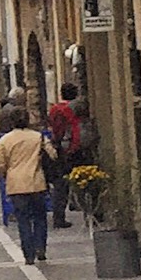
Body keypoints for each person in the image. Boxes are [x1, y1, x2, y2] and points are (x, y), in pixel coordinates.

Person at [0, 101, 55, 265]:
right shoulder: (38, 137)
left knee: (23, 220)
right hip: (37, 182)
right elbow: (52, 154)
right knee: (40, 217)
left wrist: (6, 172)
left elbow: (0, 162)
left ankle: (28, 254)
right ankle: (41, 247)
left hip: (16, 185)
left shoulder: (5, 140)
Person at [49, 85, 86, 228]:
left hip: (60, 149)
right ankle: (88, 212)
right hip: (76, 149)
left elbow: (54, 129)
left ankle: (59, 217)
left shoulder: (55, 109)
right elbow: (77, 128)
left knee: (61, 185)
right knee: (83, 180)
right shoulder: (76, 108)